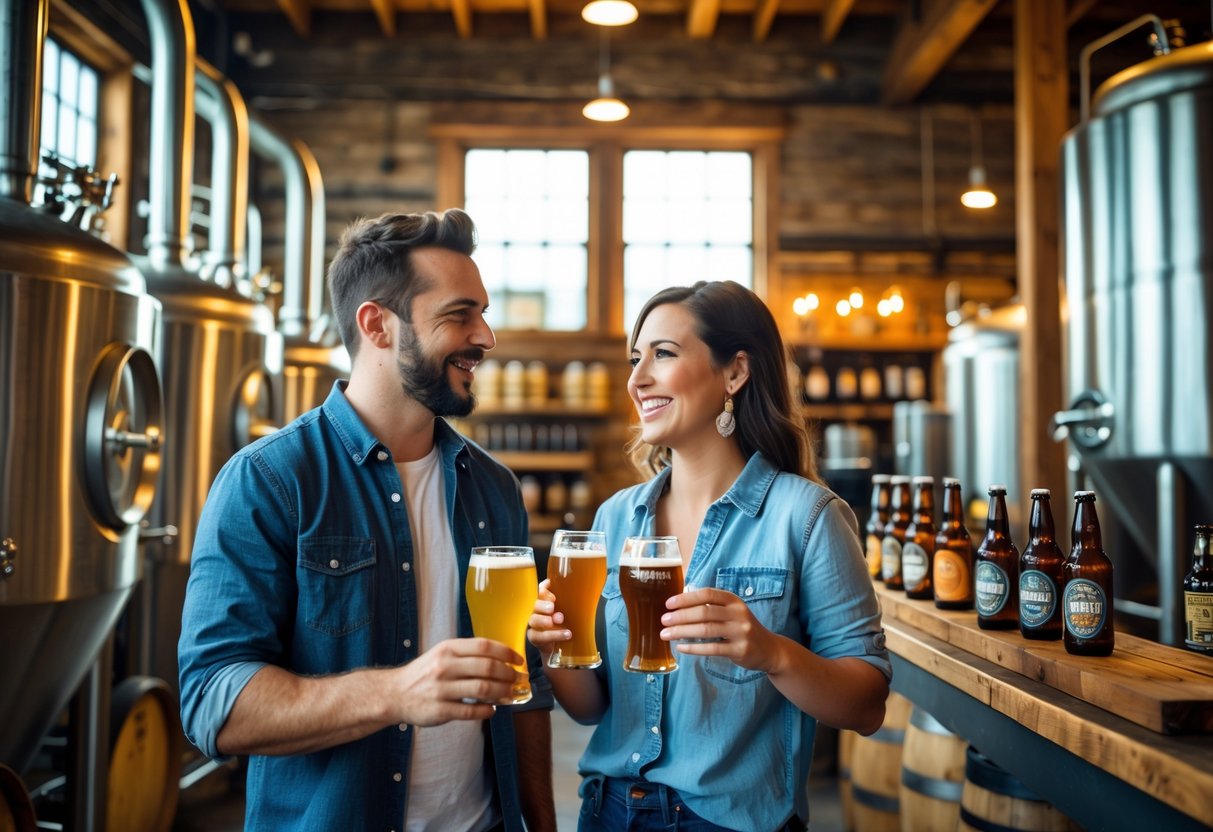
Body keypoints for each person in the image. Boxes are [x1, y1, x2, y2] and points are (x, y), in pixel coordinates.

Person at [179, 208, 556, 832]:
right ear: (377, 325)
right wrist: (396, 693)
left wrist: (540, 822)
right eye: (460, 314)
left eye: (483, 314)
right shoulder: (269, 480)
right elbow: (213, 703)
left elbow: (525, 681)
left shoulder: (494, 488)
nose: (486, 337)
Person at [528, 280, 890, 831]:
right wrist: (555, 649)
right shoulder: (615, 519)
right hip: (608, 812)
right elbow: (593, 708)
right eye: (635, 358)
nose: (637, 378)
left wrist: (773, 654)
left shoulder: (808, 516)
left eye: (663, 354)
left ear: (735, 372)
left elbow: (866, 705)